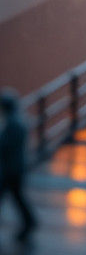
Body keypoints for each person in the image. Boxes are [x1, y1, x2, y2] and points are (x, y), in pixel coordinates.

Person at [0, 89, 37, 241]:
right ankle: (29, 222)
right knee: (18, 197)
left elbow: (4, 145)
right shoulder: (19, 120)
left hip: (11, 170)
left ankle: (29, 222)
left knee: (16, 197)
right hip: (16, 168)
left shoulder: (13, 124)